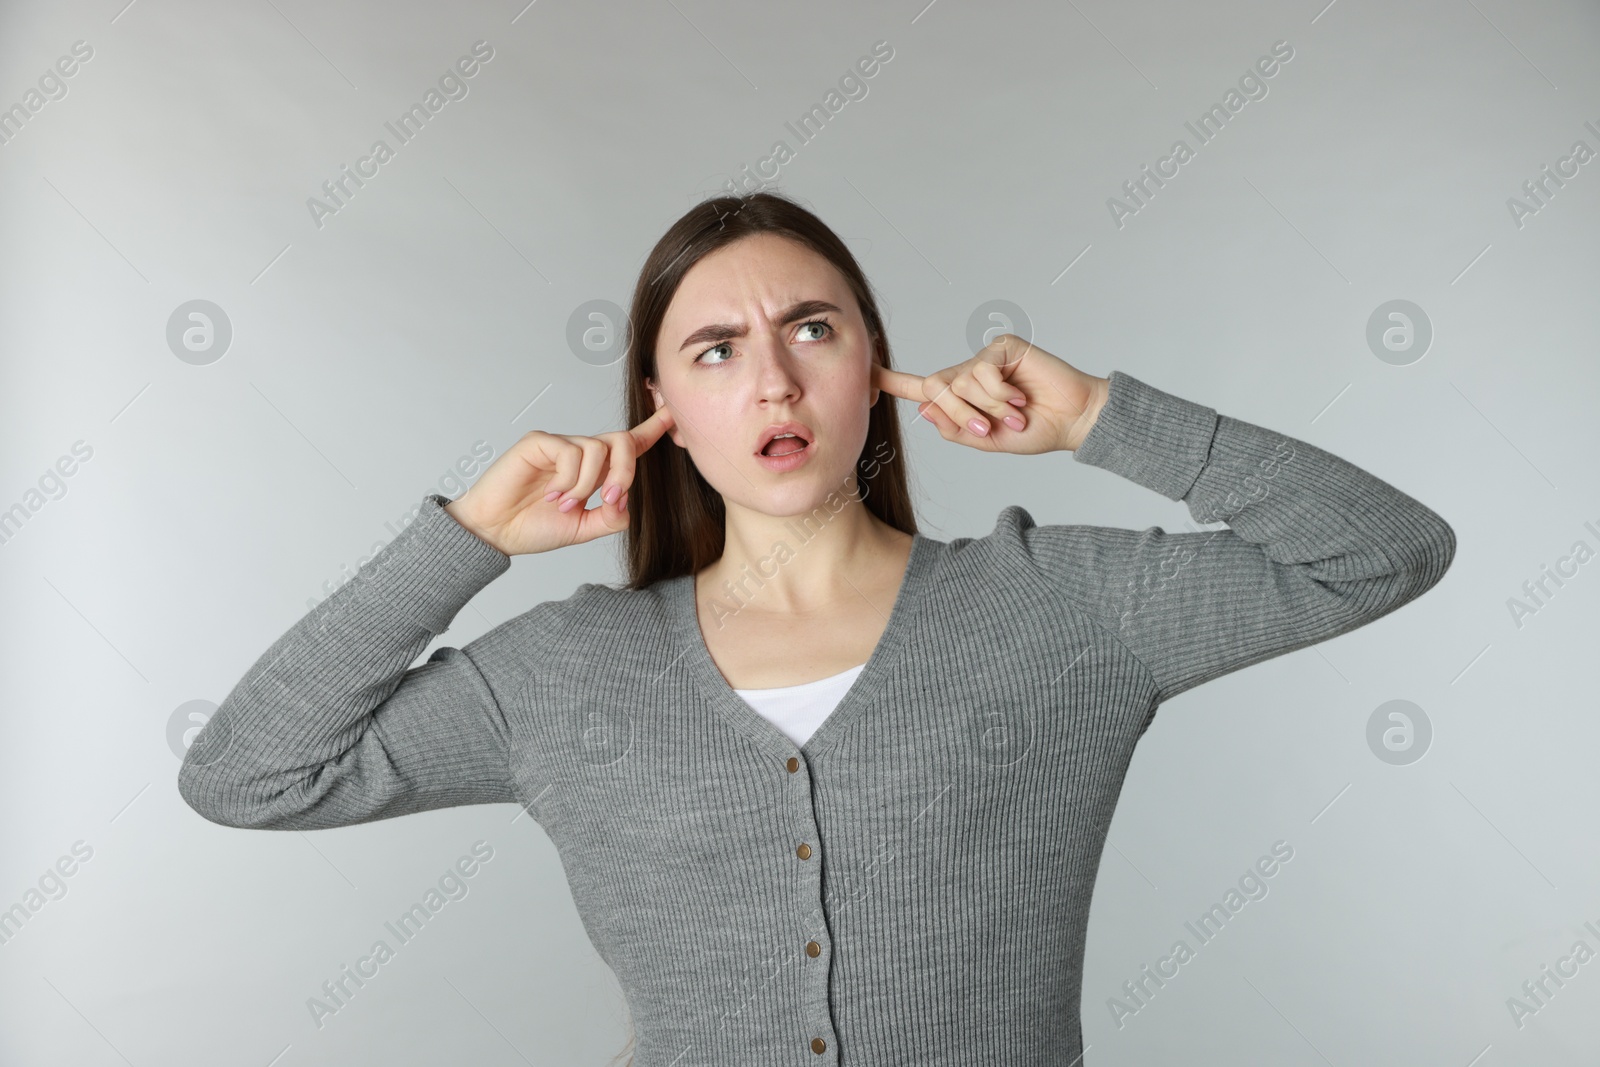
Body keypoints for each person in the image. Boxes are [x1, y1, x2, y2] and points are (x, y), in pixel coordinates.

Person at [179, 191, 1456, 1066]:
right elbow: (250, 774)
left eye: (812, 328)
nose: (775, 380)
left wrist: (1100, 419)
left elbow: (1384, 551)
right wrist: (465, 535)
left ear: (873, 367)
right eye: (718, 349)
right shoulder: (570, 670)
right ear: (660, 402)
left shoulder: (1059, 609)